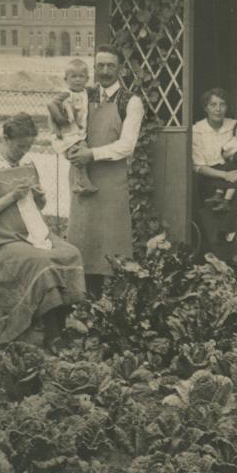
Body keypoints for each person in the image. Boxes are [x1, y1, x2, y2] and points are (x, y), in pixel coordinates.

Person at [0, 113, 86, 351]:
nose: (23, 152)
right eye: (19, 146)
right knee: (41, 262)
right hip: (0, 240)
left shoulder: (28, 165)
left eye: (28, 146)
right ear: (5, 139)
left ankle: (61, 324)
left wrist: (39, 198)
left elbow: (36, 206)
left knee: (71, 253)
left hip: (32, 233)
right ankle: (52, 335)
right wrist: (11, 196)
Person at [65, 45, 145, 296]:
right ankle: (83, 299)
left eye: (111, 66)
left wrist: (92, 154)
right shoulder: (82, 96)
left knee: (113, 244)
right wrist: (70, 150)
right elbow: (65, 128)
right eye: (100, 66)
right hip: (83, 179)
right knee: (83, 240)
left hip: (111, 183)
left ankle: (114, 301)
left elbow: (127, 146)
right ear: (94, 68)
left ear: (121, 69)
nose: (105, 71)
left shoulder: (130, 102)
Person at [192, 89, 237, 259]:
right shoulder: (197, 130)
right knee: (231, 194)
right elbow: (199, 167)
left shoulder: (234, 125)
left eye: (222, 104)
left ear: (227, 107)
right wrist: (225, 176)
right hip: (212, 177)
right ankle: (226, 249)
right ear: (205, 108)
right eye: (213, 105)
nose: (218, 109)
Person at [46, 59, 98, 195]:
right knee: (81, 151)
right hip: (67, 133)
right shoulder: (66, 94)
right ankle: (82, 182)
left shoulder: (85, 92)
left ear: (87, 79)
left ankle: (78, 183)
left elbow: (94, 90)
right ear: (66, 79)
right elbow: (50, 104)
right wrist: (59, 119)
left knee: (80, 152)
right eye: (73, 76)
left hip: (77, 132)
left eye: (81, 76)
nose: (77, 80)